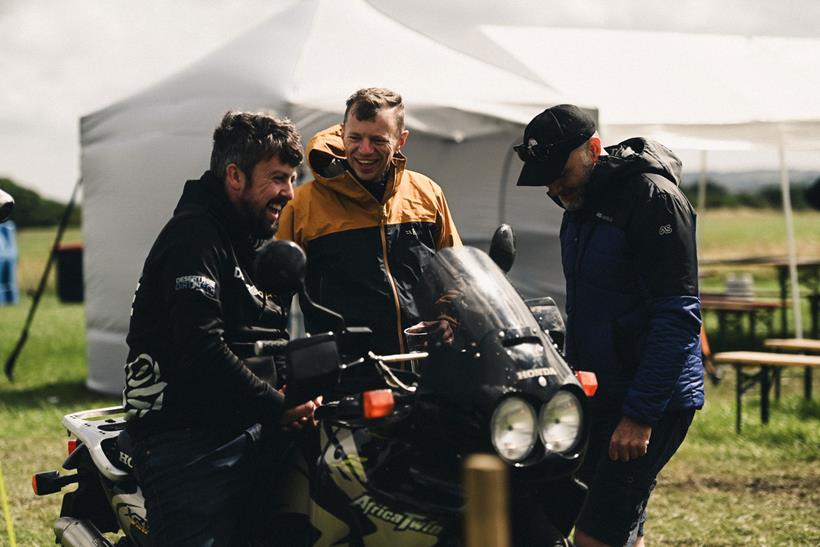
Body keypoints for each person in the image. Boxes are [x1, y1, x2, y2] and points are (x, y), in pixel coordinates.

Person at [122, 111, 318, 546]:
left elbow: (262, 341)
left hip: (245, 424)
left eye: (292, 178)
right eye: (278, 178)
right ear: (235, 175)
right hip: (187, 437)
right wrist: (277, 405)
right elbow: (202, 349)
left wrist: (300, 388)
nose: (289, 192)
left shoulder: (247, 240)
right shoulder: (193, 238)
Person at [515, 104, 705, 547]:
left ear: (593, 150)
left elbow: (677, 316)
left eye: (560, 173)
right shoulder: (578, 203)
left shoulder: (653, 200)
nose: (554, 186)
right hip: (600, 392)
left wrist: (639, 417)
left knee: (597, 535)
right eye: (545, 178)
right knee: (610, 521)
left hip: (652, 399)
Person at [276, 87, 460, 354]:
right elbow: (273, 295)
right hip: (343, 376)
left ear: (401, 140)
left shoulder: (428, 193)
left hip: (426, 369)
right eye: (355, 137)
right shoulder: (301, 204)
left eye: (378, 140)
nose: (364, 150)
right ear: (341, 132)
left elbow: (455, 271)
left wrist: (449, 317)